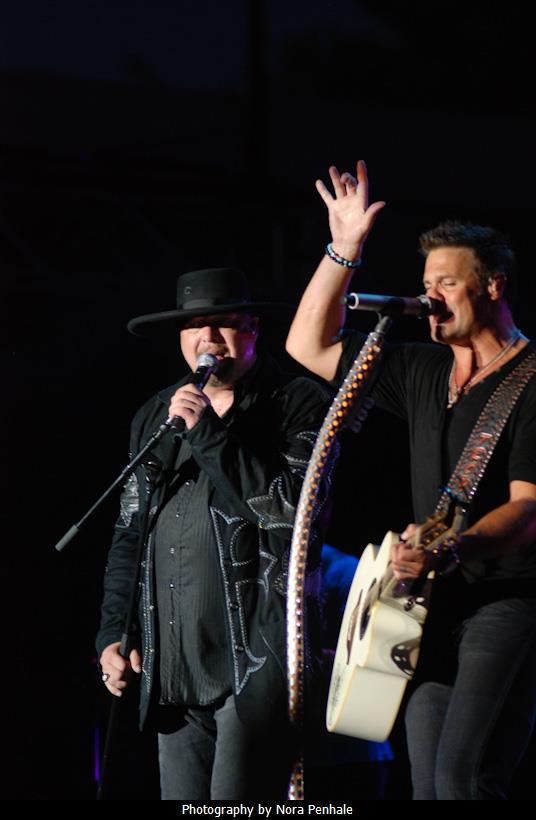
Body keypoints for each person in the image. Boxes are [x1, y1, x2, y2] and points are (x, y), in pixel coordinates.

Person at [285, 161, 536, 800]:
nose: (430, 297)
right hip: (428, 603)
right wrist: (344, 249)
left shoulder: (532, 380)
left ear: (493, 286)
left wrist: (450, 549)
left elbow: (528, 511)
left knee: (464, 778)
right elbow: (308, 346)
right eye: (426, 284)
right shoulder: (423, 369)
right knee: (426, 785)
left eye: (447, 282)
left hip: (508, 600)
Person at [96, 267, 333, 801]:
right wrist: (114, 632)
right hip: (172, 666)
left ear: (252, 328)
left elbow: (291, 512)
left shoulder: (297, 401)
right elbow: (130, 534)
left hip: (255, 663)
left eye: (223, 323)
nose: (208, 338)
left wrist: (208, 432)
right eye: (194, 326)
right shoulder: (156, 413)